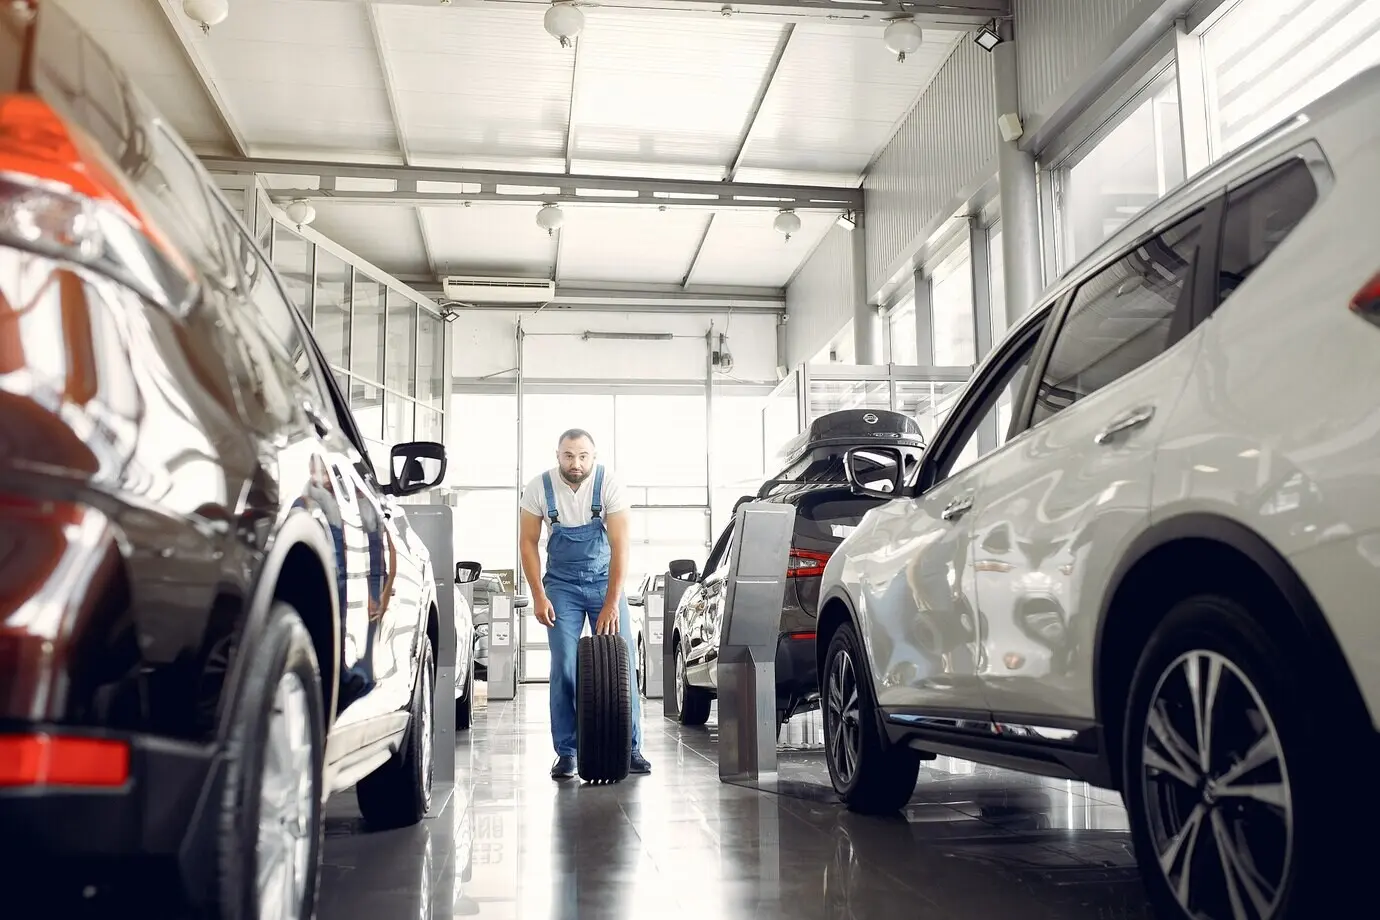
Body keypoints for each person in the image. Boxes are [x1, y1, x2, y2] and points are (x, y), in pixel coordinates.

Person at [519, 428, 650, 779]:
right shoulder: (538, 488)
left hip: (605, 581)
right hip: (561, 586)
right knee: (563, 664)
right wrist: (539, 596)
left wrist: (610, 603)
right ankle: (567, 752)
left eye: (582, 456)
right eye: (568, 456)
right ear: (557, 454)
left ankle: (631, 747)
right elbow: (528, 544)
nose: (575, 463)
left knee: (624, 662)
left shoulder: (609, 484)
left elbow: (621, 548)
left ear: (593, 456)